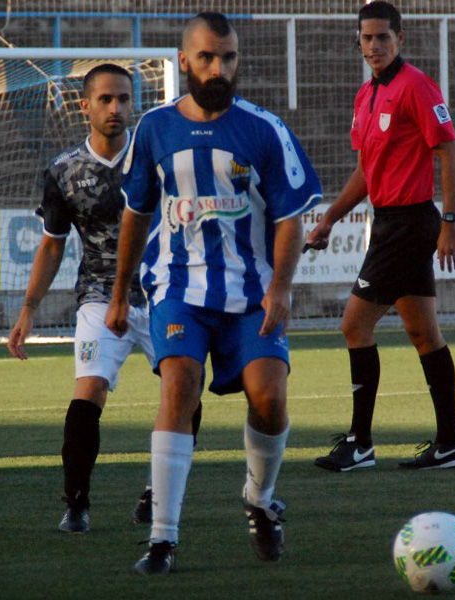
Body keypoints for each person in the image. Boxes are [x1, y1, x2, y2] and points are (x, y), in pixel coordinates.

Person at [105, 12, 322, 574]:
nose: (219, 68)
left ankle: (257, 498)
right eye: (206, 57)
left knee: (270, 399)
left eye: (228, 57)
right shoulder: (153, 129)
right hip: (178, 288)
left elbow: (291, 218)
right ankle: (162, 538)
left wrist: (281, 288)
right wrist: (118, 291)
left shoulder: (265, 129)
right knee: (180, 385)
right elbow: (135, 214)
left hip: (251, 292)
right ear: (184, 61)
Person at [6, 64, 199, 534]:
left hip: (164, 293)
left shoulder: (159, 158)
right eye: (106, 99)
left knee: (185, 394)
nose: (116, 108)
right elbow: (52, 244)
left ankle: (157, 491)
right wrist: (28, 309)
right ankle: (77, 503)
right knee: (88, 389)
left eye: (125, 99)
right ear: (85, 105)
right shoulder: (63, 171)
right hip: (97, 296)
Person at [307, 1, 455, 472]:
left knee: (354, 326)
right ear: (358, 42)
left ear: (401, 39)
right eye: (366, 38)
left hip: (410, 222)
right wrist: (330, 218)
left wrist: (450, 223)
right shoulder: (365, 96)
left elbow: (450, 153)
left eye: (383, 37)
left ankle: (359, 443)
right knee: (423, 334)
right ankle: (450, 443)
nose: (374, 45)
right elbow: (365, 172)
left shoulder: (416, 86)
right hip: (390, 222)